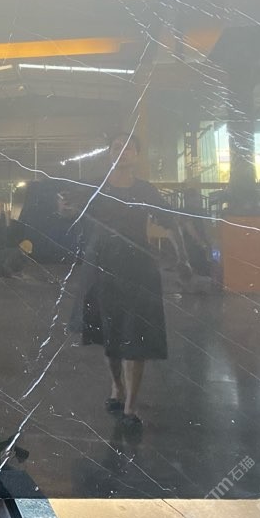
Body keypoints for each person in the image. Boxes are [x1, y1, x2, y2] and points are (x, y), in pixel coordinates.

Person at [76, 133, 191, 430]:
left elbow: (169, 221)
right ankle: (117, 386)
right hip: (103, 270)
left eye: (129, 148)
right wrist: (64, 210)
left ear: (137, 155)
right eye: (118, 147)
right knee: (111, 335)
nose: (123, 152)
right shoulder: (97, 188)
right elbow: (73, 215)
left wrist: (183, 258)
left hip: (138, 271)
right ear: (109, 153)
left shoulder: (145, 190)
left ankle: (130, 406)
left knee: (135, 337)